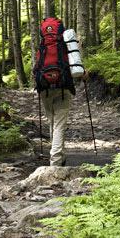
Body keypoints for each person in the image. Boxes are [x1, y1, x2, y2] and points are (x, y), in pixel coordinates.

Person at [33, 16, 86, 166]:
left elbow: (36, 68)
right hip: (62, 88)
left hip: (45, 89)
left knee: (53, 124)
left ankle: (60, 157)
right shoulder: (66, 45)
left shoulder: (43, 46)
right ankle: (55, 162)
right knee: (59, 125)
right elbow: (76, 66)